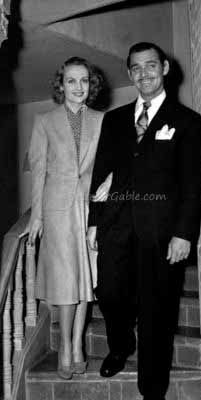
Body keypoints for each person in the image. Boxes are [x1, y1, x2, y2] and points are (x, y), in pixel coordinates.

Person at [87, 42, 201, 400]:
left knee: (158, 310)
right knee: (107, 292)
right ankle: (121, 344)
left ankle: (152, 388)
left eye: (150, 65)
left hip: (160, 231)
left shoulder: (185, 120)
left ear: (165, 68)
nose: (143, 73)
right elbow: (101, 172)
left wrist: (183, 233)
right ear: (130, 73)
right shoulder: (115, 119)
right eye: (135, 68)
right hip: (116, 225)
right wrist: (95, 221)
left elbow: (191, 182)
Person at [28, 56, 107, 380]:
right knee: (65, 282)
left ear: (92, 86)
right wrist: (36, 217)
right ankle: (64, 347)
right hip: (57, 209)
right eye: (72, 80)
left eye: (84, 81)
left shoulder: (104, 120)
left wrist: (108, 185)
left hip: (91, 209)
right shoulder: (44, 121)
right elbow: (38, 172)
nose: (78, 87)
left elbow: (115, 162)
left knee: (85, 279)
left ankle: (77, 346)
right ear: (61, 85)